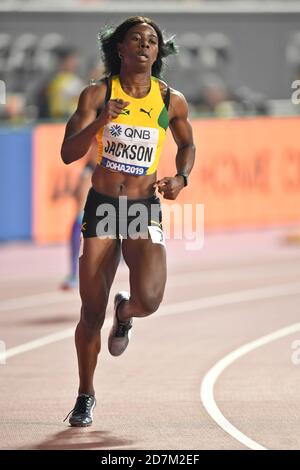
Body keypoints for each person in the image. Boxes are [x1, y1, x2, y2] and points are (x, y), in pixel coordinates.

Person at [61, 16, 195, 427]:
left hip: (142, 207)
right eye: (135, 39)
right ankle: (85, 394)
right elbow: (68, 153)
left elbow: (187, 143)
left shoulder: (171, 99)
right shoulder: (97, 93)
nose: (144, 45)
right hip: (103, 205)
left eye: (152, 41)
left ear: (158, 53)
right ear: (118, 48)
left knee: (150, 300)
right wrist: (103, 120)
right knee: (89, 313)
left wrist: (181, 178)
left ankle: (127, 313)